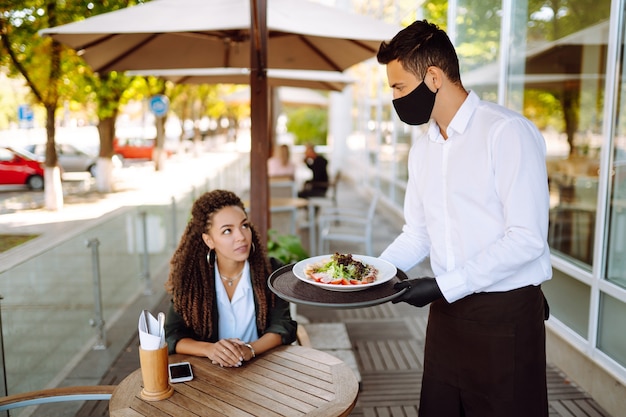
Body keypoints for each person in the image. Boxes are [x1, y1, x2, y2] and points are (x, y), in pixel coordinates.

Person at [377, 20, 552, 417]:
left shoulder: (506, 133)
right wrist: (374, 274)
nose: (395, 97)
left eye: (399, 86)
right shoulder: (422, 150)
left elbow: (526, 238)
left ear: (434, 77)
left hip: (504, 316)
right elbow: (417, 232)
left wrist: (442, 284)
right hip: (446, 313)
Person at [164, 189, 297, 367]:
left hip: (262, 370)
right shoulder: (193, 279)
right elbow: (172, 335)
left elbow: (283, 326)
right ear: (209, 240)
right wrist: (209, 349)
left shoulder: (272, 271)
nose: (241, 237)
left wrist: (250, 349)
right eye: (227, 231)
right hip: (209, 375)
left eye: (244, 226)